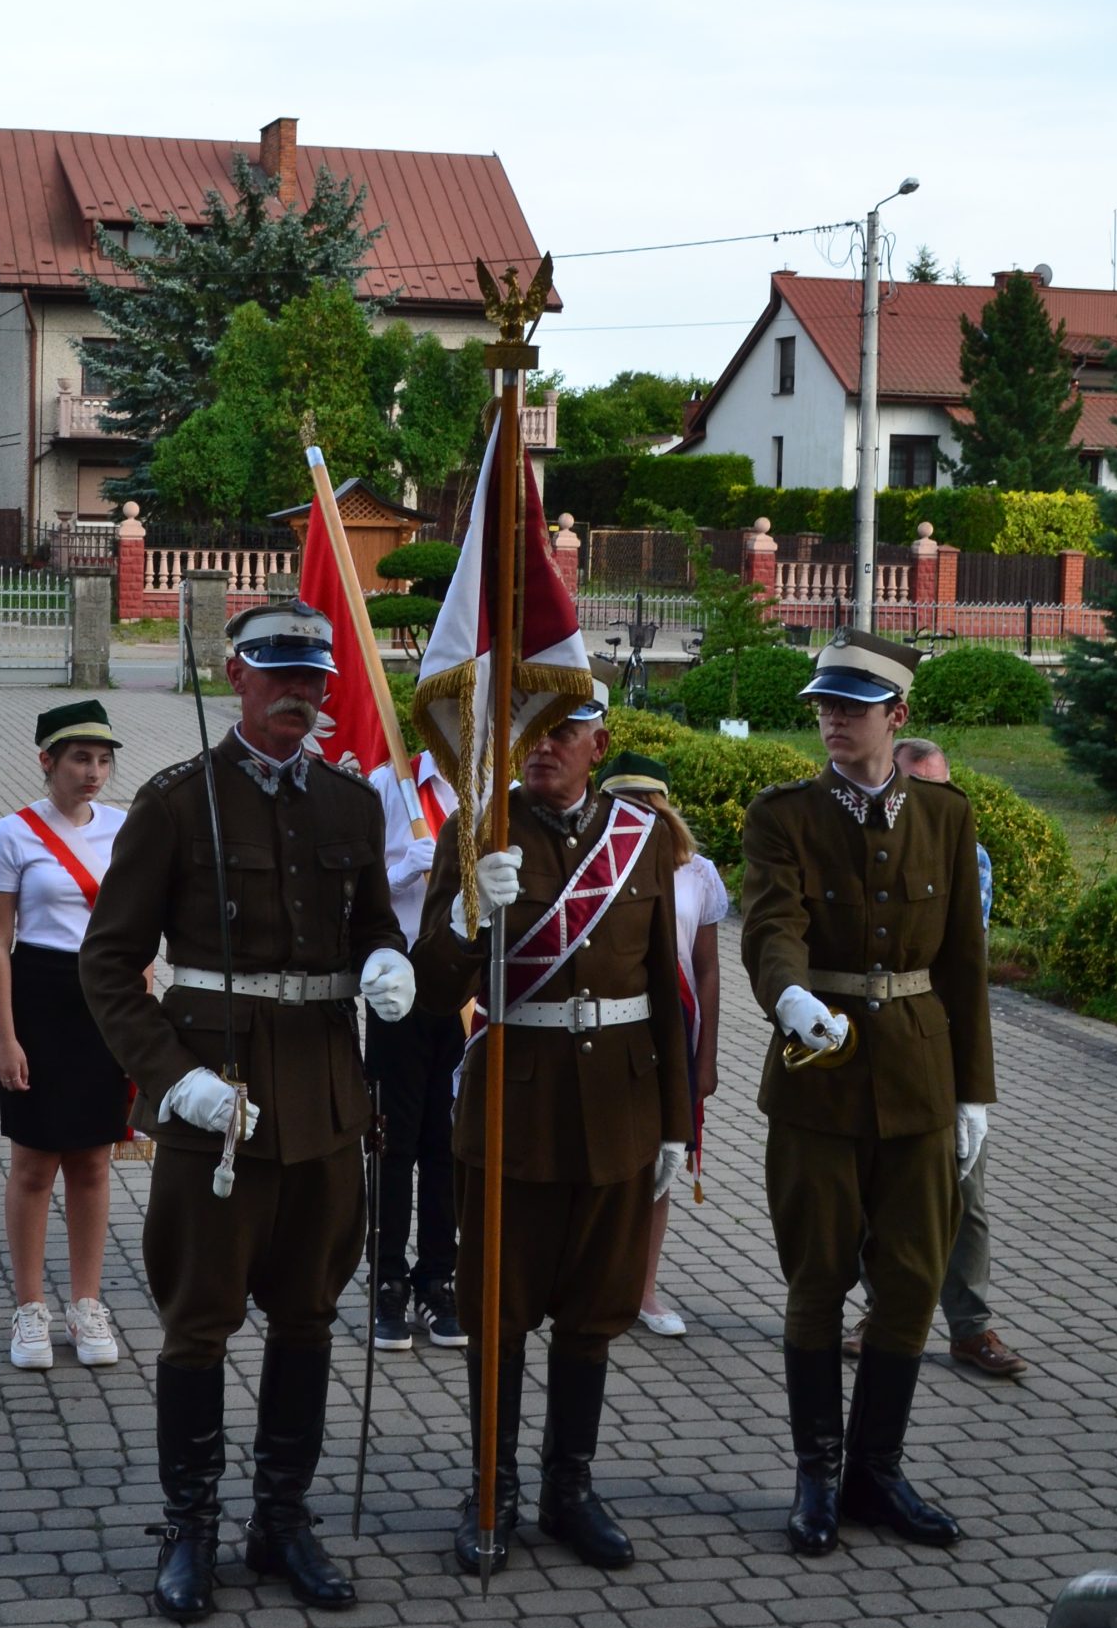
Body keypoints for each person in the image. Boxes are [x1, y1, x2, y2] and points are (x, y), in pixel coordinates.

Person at [80, 600, 413, 1625]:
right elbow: (106, 963)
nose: (297, 695)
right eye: (278, 675)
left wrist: (389, 960)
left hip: (325, 1100)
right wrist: (166, 1076)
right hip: (214, 1100)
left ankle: (282, 1519)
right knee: (199, 1321)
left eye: (313, 679)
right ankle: (189, 1526)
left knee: (308, 1316)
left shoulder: (351, 805)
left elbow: (374, 925)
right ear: (236, 676)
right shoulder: (179, 802)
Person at [414, 692, 693, 1576]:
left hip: (618, 1110)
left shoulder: (640, 837)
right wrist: (468, 917)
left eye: (563, 734)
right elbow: (432, 985)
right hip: (515, 1107)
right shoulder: (478, 830)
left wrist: (676, 1124)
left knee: (593, 1312)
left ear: (598, 744)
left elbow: (665, 989)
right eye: (530, 733)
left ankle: (567, 1489)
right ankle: (490, 1490)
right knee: (497, 1309)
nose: (543, 748)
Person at [742, 629, 995, 1559]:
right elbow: (770, 924)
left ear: (897, 715)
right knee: (816, 1277)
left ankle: (875, 1472)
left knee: (914, 1279)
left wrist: (973, 1093)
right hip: (818, 1075)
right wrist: (787, 994)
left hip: (920, 1078)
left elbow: (963, 962)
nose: (832, 721)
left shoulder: (945, 815)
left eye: (851, 707)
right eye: (824, 706)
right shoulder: (786, 815)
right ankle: (816, 1472)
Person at [844, 737, 1023, 1379]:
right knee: (877, 1190)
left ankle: (970, 1327)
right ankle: (880, 1312)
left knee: (965, 1194)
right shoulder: (857, 840)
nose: (930, 801)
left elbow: (959, 953)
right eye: (917, 788)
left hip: (944, 1045)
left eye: (940, 788)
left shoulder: (966, 853)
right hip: (878, 1045)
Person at [0, 701, 131, 1375]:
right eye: (79, 759)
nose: (93, 772)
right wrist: (5, 1037)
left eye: (102, 760)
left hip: (105, 1000)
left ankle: (86, 1304)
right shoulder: (13, 833)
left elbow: (133, 931)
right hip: (39, 998)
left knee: (93, 1162)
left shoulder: (123, 830)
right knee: (35, 1164)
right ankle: (29, 1307)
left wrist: (138, 1013)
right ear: (47, 761)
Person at [596, 753, 727, 1338]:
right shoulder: (589, 864)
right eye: (619, 802)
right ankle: (595, 1284)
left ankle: (643, 1290)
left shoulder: (697, 872)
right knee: (604, 1156)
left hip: (672, 1024)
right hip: (609, 1025)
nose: (633, 814)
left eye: (644, 803)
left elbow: (708, 969)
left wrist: (706, 1057)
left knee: (661, 1161)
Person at [366, 745, 466, 1352]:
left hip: (466, 989)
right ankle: (387, 1280)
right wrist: (403, 870)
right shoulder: (390, 784)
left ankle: (437, 1278)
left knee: (448, 1142)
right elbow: (354, 891)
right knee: (393, 1140)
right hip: (398, 985)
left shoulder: (497, 792)